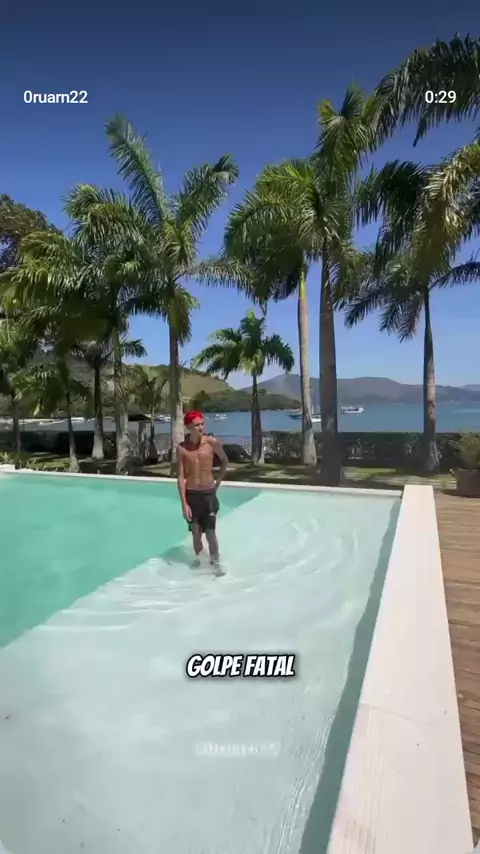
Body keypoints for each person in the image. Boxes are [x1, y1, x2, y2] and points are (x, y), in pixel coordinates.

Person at [177, 410, 228, 574]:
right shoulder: (182, 449)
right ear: (188, 427)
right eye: (196, 425)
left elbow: (225, 461)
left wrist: (218, 481)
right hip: (192, 495)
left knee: (211, 533)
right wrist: (184, 504)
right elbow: (180, 477)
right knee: (196, 533)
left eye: (202, 424)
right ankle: (200, 561)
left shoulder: (211, 443)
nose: (201, 428)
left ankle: (215, 563)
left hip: (208, 494)